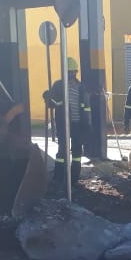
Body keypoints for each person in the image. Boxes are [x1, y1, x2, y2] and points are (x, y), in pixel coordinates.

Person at [46, 57, 92, 186]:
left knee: (77, 152)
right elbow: (52, 104)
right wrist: (48, 97)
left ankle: (74, 179)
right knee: (62, 151)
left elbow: (87, 107)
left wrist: (87, 124)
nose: (71, 74)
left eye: (73, 72)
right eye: (68, 72)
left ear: (76, 72)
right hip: (63, 123)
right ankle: (58, 177)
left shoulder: (81, 87)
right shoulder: (58, 85)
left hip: (78, 124)